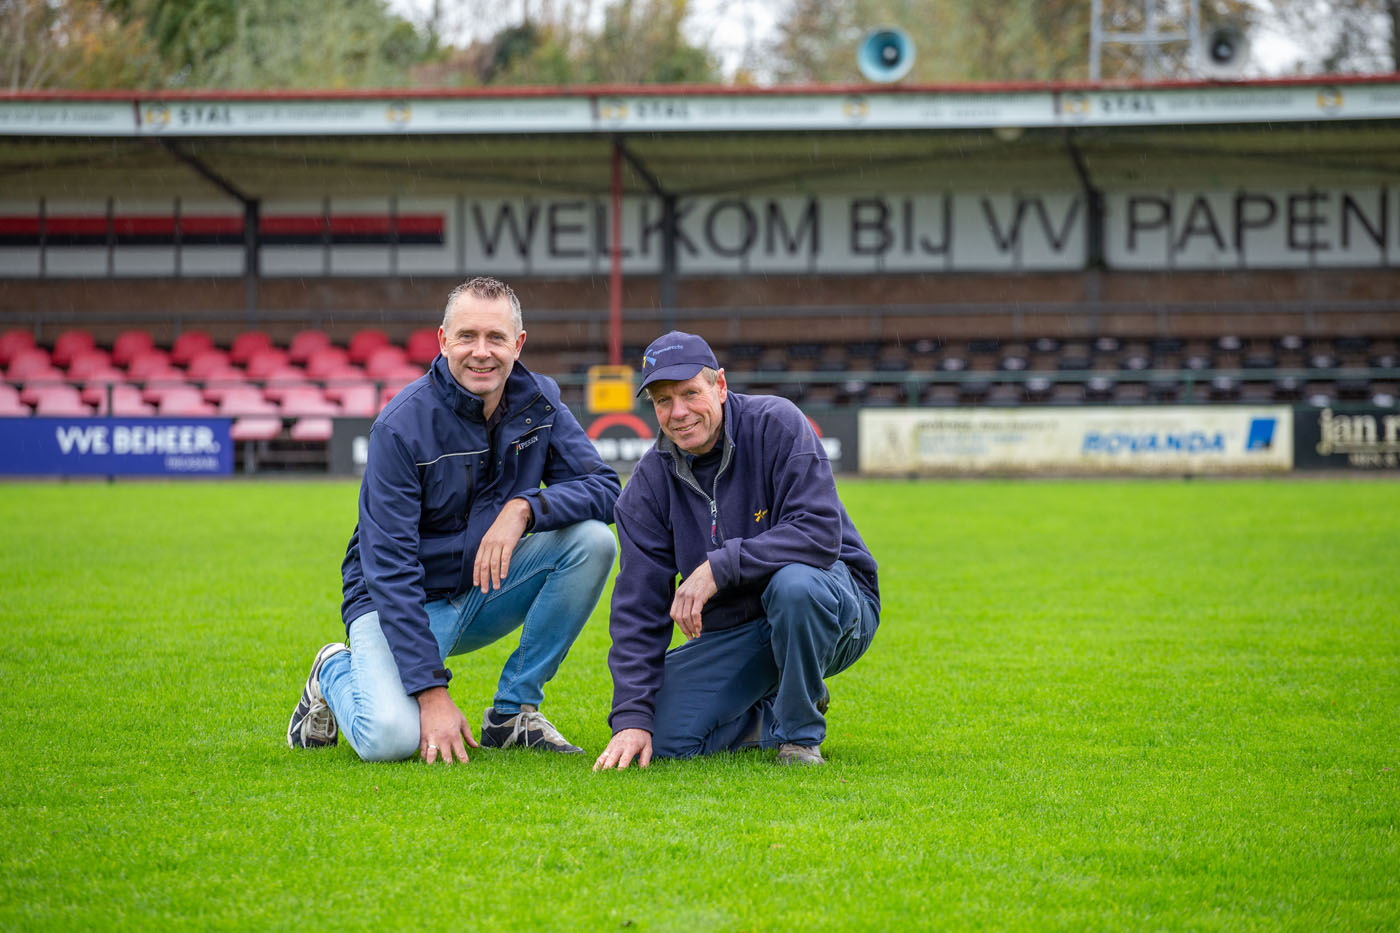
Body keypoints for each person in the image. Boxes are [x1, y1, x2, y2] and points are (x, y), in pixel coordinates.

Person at [287, 276, 619, 764]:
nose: (481, 352)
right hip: (402, 604)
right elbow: (389, 570)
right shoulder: (400, 427)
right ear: (443, 341)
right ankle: (333, 668)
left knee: (593, 542)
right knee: (389, 741)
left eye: (496, 338)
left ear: (518, 344)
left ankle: (513, 713)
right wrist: (431, 693)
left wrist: (524, 509)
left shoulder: (539, 403)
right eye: (466, 337)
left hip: (484, 589)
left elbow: (606, 490)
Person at [594, 331, 879, 769]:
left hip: (835, 607)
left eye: (690, 393)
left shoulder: (776, 423)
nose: (679, 412)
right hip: (741, 630)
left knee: (794, 585)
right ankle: (774, 703)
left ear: (720, 386)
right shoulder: (647, 486)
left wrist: (717, 568)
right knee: (664, 737)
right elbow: (637, 607)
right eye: (663, 401)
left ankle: (799, 738)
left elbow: (820, 532)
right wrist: (631, 718)